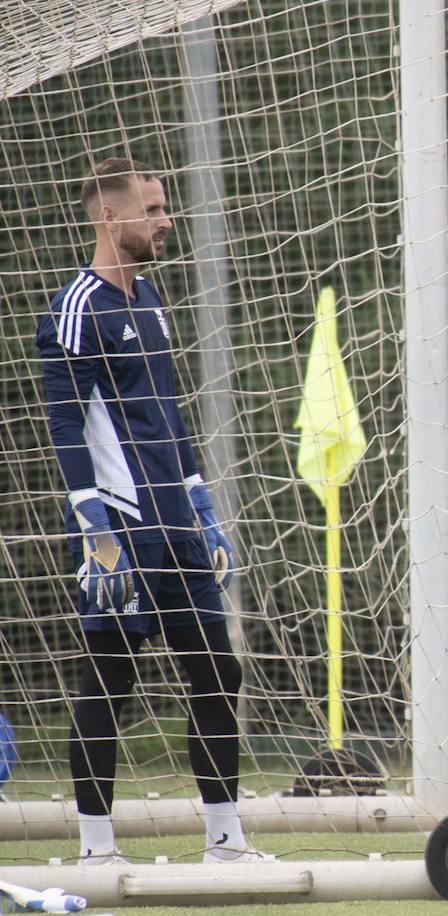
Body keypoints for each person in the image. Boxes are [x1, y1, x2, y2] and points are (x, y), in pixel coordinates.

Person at [35, 158, 263, 865]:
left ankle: (225, 840)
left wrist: (201, 500)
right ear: (111, 216)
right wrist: (91, 524)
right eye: (155, 208)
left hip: (177, 524)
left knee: (217, 671)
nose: (166, 220)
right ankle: (97, 851)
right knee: (108, 680)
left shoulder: (152, 300)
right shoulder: (76, 308)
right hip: (122, 525)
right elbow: (68, 423)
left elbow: (167, 410)